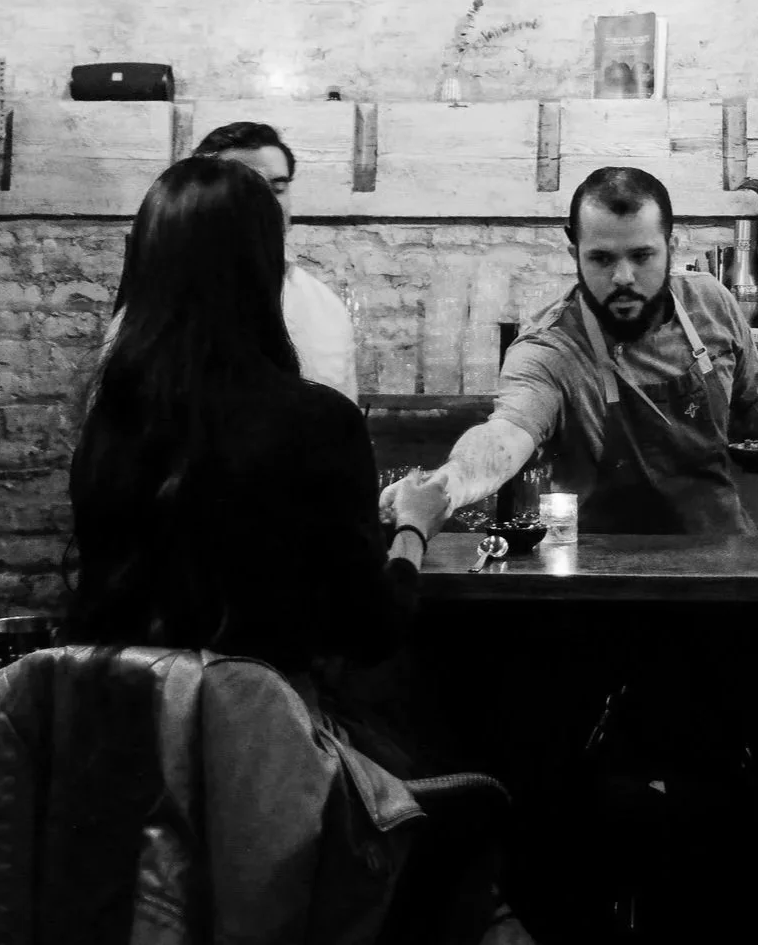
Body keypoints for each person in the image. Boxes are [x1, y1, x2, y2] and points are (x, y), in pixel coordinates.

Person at [66, 156, 517, 941]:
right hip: (276, 779)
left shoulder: (107, 430)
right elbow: (371, 629)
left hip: (123, 780)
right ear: (264, 273)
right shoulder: (315, 423)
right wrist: (412, 526)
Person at [411, 166, 758, 535]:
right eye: (601, 258)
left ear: (672, 246)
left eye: (641, 256)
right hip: (604, 574)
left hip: (725, 551)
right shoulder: (550, 350)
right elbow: (506, 435)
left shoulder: (712, 303)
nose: (622, 278)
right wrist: (449, 485)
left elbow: (755, 402)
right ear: (574, 254)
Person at [193, 119, 358, 400]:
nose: (266, 202)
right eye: (246, 188)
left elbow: (346, 426)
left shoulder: (323, 307)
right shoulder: (163, 304)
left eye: (277, 188)